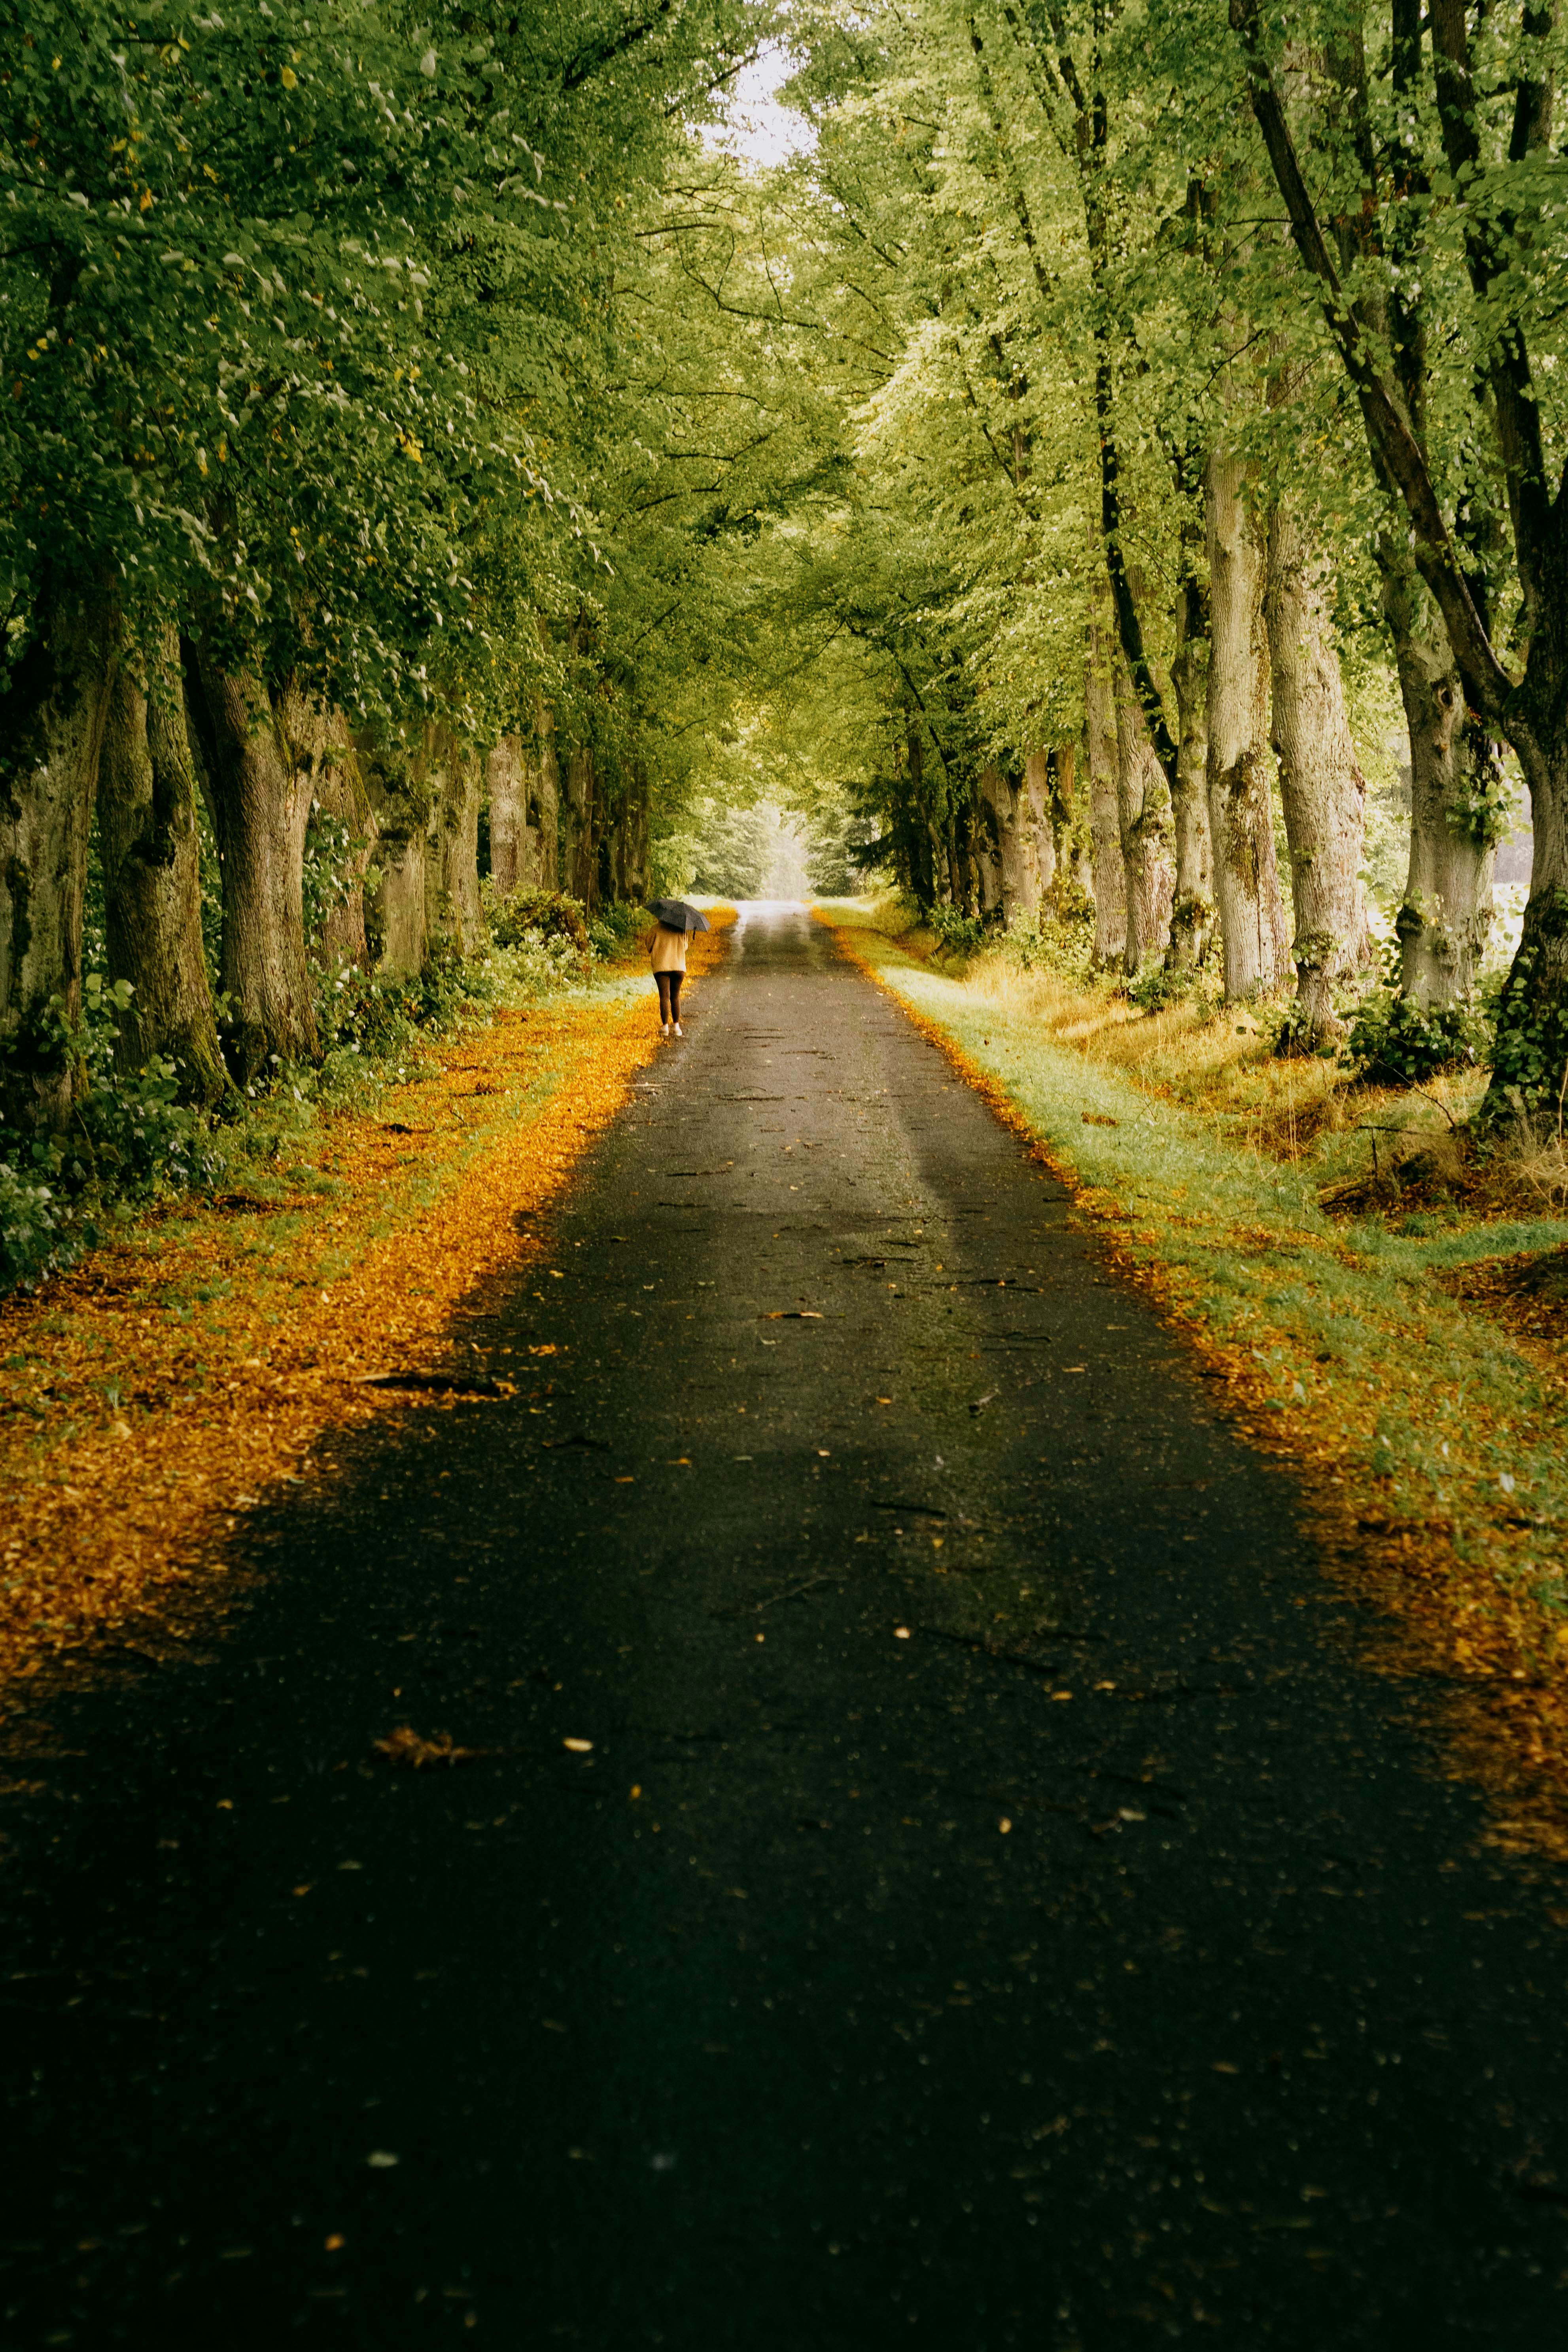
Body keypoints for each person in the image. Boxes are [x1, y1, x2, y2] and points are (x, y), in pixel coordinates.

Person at [649, 914, 688, 1037]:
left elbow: (649, 946)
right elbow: (685, 947)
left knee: (665, 996)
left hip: (662, 967)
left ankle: (665, 1027)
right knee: (675, 996)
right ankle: (677, 1028)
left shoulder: (655, 929)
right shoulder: (681, 929)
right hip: (679, 967)